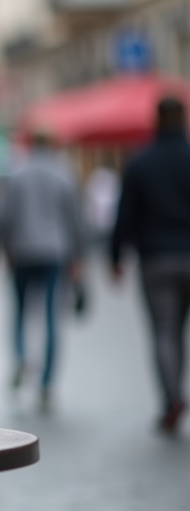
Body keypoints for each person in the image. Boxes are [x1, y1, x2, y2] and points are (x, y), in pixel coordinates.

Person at [110, 96, 190, 436]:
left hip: (156, 258)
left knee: (164, 330)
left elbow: (125, 214)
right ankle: (173, 395)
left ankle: (171, 397)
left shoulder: (140, 161)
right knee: (176, 331)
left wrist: (115, 256)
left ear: (156, 120)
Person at [0, 130, 84, 413]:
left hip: (22, 250)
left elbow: (5, 216)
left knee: (21, 312)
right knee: (50, 317)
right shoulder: (64, 173)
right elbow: (74, 219)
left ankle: (22, 357)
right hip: (55, 250)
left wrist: (7, 248)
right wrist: (77, 257)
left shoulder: (17, 173)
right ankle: (47, 383)